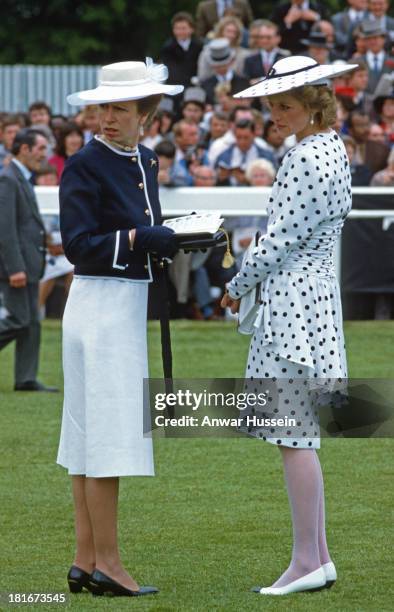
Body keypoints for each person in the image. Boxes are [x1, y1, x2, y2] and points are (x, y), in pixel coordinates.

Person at [221, 55, 357, 595]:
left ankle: (306, 561)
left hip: (296, 302)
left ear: (313, 105)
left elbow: (279, 241)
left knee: (293, 433)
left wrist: (235, 284)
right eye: (273, 105)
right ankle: (317, 559)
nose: (275, 114)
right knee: (300, 433)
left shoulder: (307, 154)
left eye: (286, 105)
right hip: (312, 296)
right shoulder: (330, 148)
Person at [56, 59, 183, 597]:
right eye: (104, 107)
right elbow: (79, 246)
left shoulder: (145, 159)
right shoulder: (85, 164)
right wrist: (136, 240)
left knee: (90, 436)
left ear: (146, 117)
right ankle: (108, 562)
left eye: (120, 109)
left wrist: (176, 238)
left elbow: (147, 228)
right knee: (100, 437)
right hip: (99, 305)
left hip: (126, 304)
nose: (107, 117)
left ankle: (86, 559)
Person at [0, 128, 58, 392]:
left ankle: (25, 378)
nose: (44, 155)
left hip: (29, 263)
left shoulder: (20, 177)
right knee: (19, 320)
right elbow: (5, 228)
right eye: (41, 148)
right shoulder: (8, 179)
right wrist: (15, 268)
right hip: (17, 266)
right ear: (24, 149)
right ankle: (25, 377)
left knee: (32, 323)